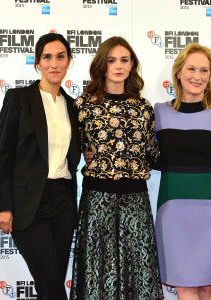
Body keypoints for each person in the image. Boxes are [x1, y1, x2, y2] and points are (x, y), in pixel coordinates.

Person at [70, 36, 163, 299]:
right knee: (99, 271)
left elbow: (153, 154)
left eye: (124, 60)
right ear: (102, 65)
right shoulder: (83, 105)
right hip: (97, 200)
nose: (118, 66)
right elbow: (69, 149)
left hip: (135, 199)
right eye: (111, 60)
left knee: (139, 269)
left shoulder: (143, 108)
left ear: (132, 64)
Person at [154, 43, 211, 300]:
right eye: (191, 68)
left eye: (204, 70)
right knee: (184, 286)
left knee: (207, 288)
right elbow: (144, 156)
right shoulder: (159, 113)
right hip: (173, 211)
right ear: (178, 73)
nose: (198, 76)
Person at [0, 33, 81, 300]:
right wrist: (3, 205)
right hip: (27, 204)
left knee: (51, 284)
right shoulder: (18, 98)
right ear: (38, 62)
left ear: (68, 62)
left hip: (63, 202)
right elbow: (4, 154)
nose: (54, 63)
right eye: (47, 57)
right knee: (51, 281)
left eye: (61, 57)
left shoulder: (74, 106)